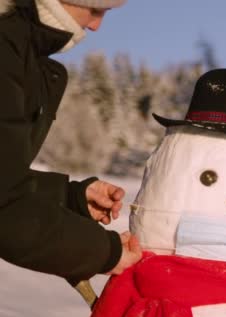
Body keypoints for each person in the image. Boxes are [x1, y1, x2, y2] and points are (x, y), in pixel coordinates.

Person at [0, 0, 142, 285]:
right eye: (96, 9)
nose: (96, 26)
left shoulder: (20, 55)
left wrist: (68, 196)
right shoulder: (6, 54)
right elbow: (7, 210)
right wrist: (105, 252)